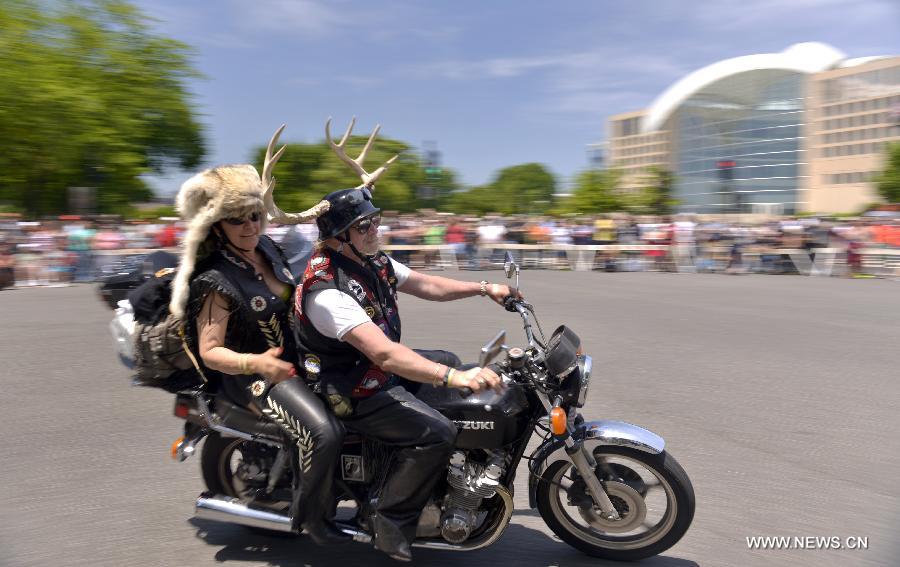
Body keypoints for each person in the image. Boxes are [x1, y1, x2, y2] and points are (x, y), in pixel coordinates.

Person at [292, 186, 518, 560]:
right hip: (347, 386)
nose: (374, 230)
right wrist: (452, 377)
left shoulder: (372, 261)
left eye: (376, 221)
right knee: (436, 432)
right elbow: (384, 353)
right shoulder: (328, 290)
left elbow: (427, 285)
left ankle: (432, 480)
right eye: (364, 225)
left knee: (448, 359)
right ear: (338, 237)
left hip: (368, 368)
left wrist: (485, 287)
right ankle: (389, 519)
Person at [167, 130, 349, 546]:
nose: (250, 225)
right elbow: (211, 352)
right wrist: (258, 363)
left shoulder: (268, 247)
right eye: (238, 219)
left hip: (298, 360)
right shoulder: (215, 280)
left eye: (255, 215)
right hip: (253, 377)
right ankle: (311, 517)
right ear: (218, 224)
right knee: (325, 432)